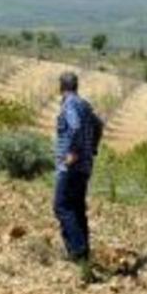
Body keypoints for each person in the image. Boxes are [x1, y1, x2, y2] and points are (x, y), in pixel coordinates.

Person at [53, 72, 104, 262]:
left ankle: (78, 249)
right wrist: (92, 149)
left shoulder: (69, 104)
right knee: (76, 208)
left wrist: (72, 152)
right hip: (85, 166)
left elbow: (74, 127)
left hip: (70, 167)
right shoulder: (85, 105)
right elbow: (99, 125)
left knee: (61, 206)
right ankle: (83, 254)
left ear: (62, 86)